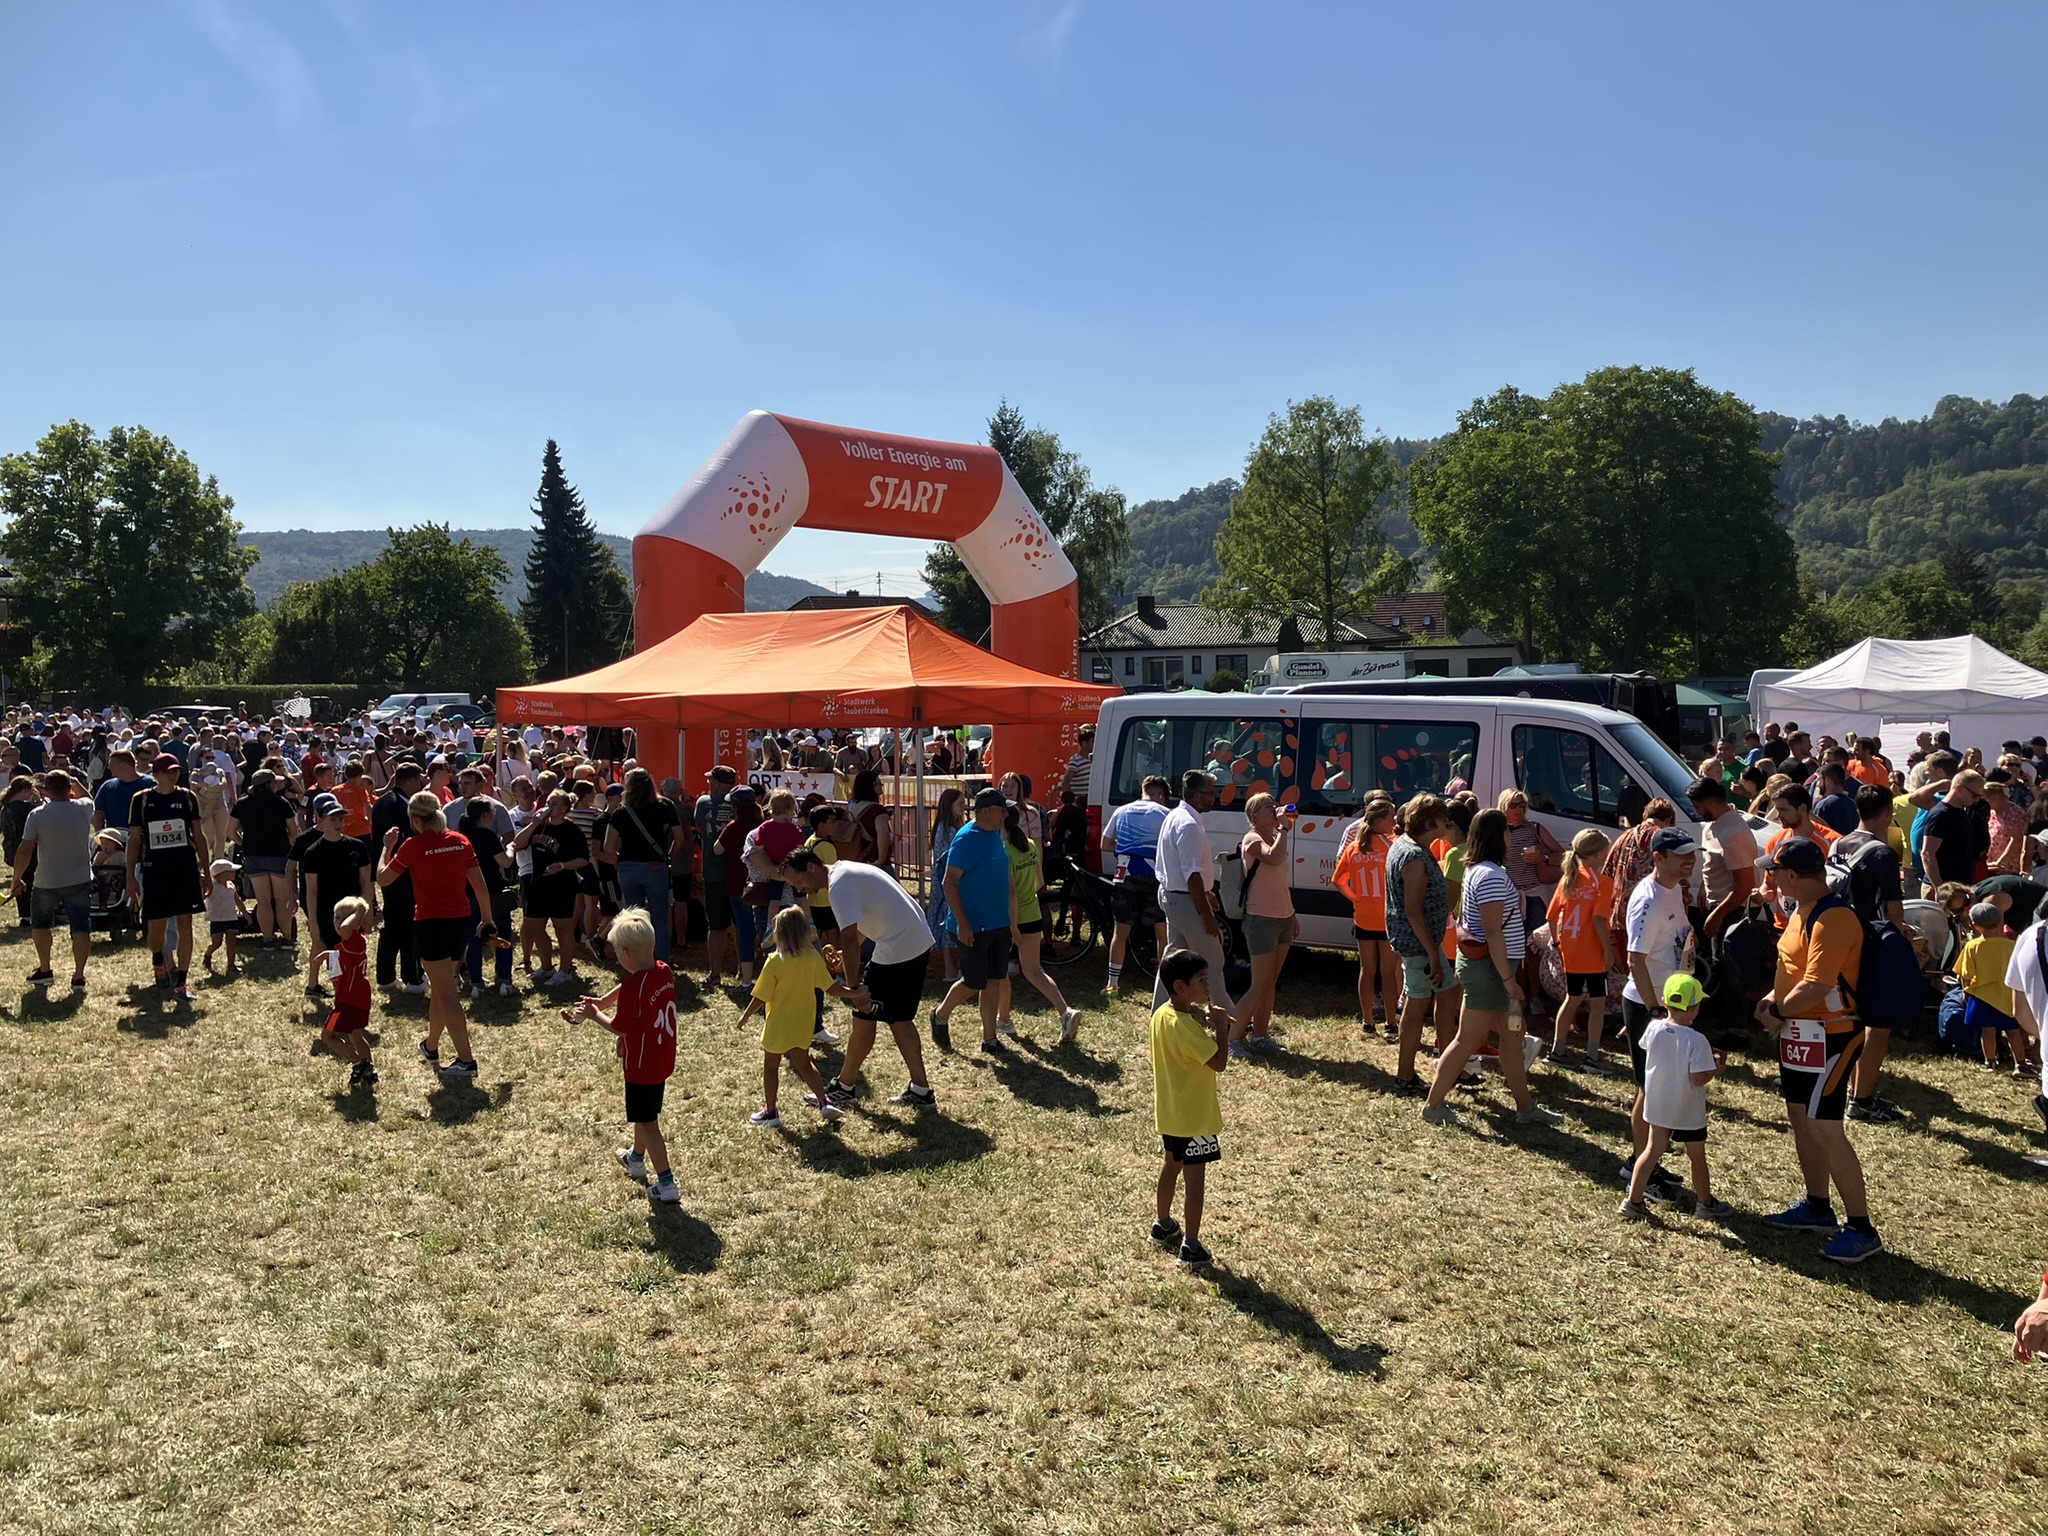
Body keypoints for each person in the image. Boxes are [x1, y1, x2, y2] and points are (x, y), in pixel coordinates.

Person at [1754, 837, 1883, 1263]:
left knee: (1825, 1125)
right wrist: (1772, 1001)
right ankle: (1817, 1206)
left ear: (1792, 874)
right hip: (1800, 1034)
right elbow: (1792, 969)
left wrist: (1776, 1010)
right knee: (1801, 1118)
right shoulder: (1800, 911)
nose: (1771, 878)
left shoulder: (1835, 917)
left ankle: (1862, 1228)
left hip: (1832, 1035)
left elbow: (1817, 984)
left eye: (1774, 872)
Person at [1421, 808, 1563, 1128]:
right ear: (1499, 837)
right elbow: (1493, 932)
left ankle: (1526, 1108)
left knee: (1512, 1038)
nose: (1512, 836)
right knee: (1467, 1040)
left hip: (1489, 968)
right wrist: (1509, 980)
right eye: (1507, 831)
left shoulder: (1479, 870)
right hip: (1491, 971)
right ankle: (1433, 1105)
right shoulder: (1491, 876)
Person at [783, 850, 938, 1111]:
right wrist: (846, 958)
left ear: (811, 867)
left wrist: (853, 988)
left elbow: (850, 940)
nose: (799, 889)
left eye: (798, 881)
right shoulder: (846, 870)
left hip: (898, 946)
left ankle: (844, 1087)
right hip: (917, 940)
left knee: (864, 1016)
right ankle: (921, 1091)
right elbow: (868, 919)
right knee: (899, 1018)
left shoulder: (838, 886)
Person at [378, 790, 496, 1081]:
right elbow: (479, 883)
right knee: (443, 988)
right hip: (460, 922)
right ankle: (431, 1046)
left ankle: (466, 1061)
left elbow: (383, 878)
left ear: (416, 820)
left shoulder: (412, 846)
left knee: (446, 994)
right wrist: (487, 918)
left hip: (431, 924)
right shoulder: (459, 840)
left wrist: (386, 848)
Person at [568, 907, 682, 1204]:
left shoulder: (634, 986)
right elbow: (631, 992)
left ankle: (667, 1183)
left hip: (642, 1065)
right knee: (645, 1114)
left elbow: (619, 1027)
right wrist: (604, 1001)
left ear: (626, 953)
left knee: (648, 1122)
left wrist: (594, 1013)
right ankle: (636, 1158)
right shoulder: (662, 970)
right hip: (661, 1057)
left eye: (617, 950)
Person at [1614, 827, 1698, 1192]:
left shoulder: (1674, 888)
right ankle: (1639, 1167)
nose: (1690, 860)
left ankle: (1647, 1162)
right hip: (1650, 1006)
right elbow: (1635, 960)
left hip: (1671, 1004)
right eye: (1682, 855)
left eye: (1692, 853)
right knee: (1649, 1089)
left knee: (1659, 1087)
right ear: (1659, 858)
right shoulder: (1648, 900)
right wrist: (1654, 1012)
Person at [738, 905, 861, 1128]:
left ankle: (771, 1112)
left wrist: (745, 1017)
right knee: (804, 1063)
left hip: (778, 1024)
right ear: (805, 932)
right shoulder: (812, 957)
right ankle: (824, 1102)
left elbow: (760, 997)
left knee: (771, 1067)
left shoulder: (774, 961)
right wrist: (853, 993)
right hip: (803, 1023)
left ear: (778, 934)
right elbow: (831, 987)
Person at [1619, 973, 1729, 1221]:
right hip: (1687, 1110)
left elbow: (1648, 1046)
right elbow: (1698, 1078)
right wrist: (1715, 1068)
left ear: (1664, 1002)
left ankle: (1633, 1201)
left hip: (1658, 1105)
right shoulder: (1697, 1040)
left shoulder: (1653, 1028)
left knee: (1651, 1150)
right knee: (1696, 1157)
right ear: (1694, 1009)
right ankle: (1705, 1204)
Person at [1149, 947, 1233, 1269]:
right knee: (1195, 1180)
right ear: (1180, 987)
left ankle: (1162, 1224)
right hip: (1195, 1118)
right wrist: (1222, 1029)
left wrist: (1205, 1021)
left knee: (1171, 1165)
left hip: (1171, 1113)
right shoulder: (1186, 1027)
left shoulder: (1162, 1015)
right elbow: (1219, 1062)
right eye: (1201, 980)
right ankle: (1191, 1247)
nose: (1207, 985)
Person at [937, 787, 1021, 1055]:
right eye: (1002, 810)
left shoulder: (994, 833)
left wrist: (1011, 923)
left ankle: (989, 1039)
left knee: (995, 979)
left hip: (998, 923)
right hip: (972, 926)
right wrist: (963, 923)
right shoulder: (967, 839)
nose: (1006, 815)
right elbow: (949, 882)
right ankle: (940, 1014)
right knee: (974, 982)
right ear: (987, 811)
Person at [125, 753, 210, 1002]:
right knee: (157, 926)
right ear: (156, 774)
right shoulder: (142, 800)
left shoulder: (188, 797)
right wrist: (130, 876)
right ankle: (158, 958)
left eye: (176, 771)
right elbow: (134, 839)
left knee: (186, 922)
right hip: (155, 869)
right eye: (167, 771)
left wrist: (206, 871)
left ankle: (182, 981)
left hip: (185, 868)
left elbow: (199, 835)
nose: (173, 775)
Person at [1386, 794, 1455, 1093]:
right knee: (1416, 1005)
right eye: (1443, 820)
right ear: (1429, 824)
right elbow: (1413, 910)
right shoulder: (1413, 857)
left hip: (1424, 943)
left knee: (1447, 992)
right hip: (1418, 946)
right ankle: (1405, 1075)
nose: (1447, 825)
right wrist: (1433, 956)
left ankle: (1451, 1065)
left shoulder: (1408, 846)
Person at [1152, 772, 1236, 1017]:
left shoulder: (1176, 816)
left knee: (1172, 960)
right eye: (1210, 793)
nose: (1213, 798)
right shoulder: (1188, 825)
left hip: (1173, 897)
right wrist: (1207, 915)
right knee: (1213, 964)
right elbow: (1192, 876)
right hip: (1186, 901)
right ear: (1198, 796)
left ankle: (1158, 1015)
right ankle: (1231, 1024)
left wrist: (1205, 893)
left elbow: (1188, 873)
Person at [16, 769, 95, 991]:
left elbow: (25, 849)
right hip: (79, 877)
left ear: (46, 790)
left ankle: (45, 968)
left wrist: (17, 877)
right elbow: (88, 797)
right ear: (69, 789)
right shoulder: (83, 809)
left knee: (41, 925)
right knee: (81, 927)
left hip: (47, 878)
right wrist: (76, 781)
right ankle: (78, 975)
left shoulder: (37, 815)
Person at [1545, 828, 1614, 1071]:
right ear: (1596, 855)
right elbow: (1598, 918)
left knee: (1572, 998)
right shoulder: (1602, 882)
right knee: (1597, 1003)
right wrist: (1607, 950)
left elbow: (1551, 917)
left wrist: (1557, 943)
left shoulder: (1569, 879)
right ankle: (1592, 1056)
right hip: (1592, 952)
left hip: (1571, 951)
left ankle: (1557, 1050)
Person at [1234, 792, 1296, 1057]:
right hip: (1262, 919)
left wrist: (1292, 914)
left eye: (1274, 805)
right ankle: (1232, 1038)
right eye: (1267, 807)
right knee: (1259, 983)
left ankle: (1260, 1036)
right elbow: (1273, 858)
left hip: (1283, 917)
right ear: (1254, 816)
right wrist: (1284, 829)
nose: (1274, 809)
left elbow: (1279, 880)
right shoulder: (1252, 839)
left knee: (1270, 982)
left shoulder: (1275, 837)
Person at [1332, 796, 1399, 1043]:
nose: (1395, 822)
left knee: (1366, 970)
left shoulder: (1354, 848)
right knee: (1388, 972)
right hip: (1387, 917)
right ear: (1379, 821)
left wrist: (1356, 899)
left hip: (1363, 917)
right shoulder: (1392, 845)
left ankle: (1367, 1021)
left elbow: (1337, 880)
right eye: (1391, 818)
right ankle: (1390, 1022)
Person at [298, 792, 373, 1001]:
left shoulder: (357, 846)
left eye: (341, 818)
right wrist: (313, 923)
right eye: (333, 819)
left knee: (355, 952)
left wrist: (368, 911)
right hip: (328, 913)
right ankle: (340, 994)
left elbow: (366, 881)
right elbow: (311, 890)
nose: (339, 823)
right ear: (320, 820)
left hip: (353, 911)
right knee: (334, 955)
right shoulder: (313, 852)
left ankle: (352, 991)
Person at [1100, 776, 1171, 997]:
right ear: (1160, 795)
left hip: (1126, 875)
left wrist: (1126, 849)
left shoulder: (1121, 811)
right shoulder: (1165, 814)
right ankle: (1164, 984)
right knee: (1162, 933)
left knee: (1120, 932)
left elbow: (1105, 844)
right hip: (1154, 876)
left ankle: (1112, 984)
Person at [604, 768, 684, 963]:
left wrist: (618, 862)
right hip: (656, 866)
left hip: (628, 867)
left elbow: (608, 846)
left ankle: (636, 962)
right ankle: (662, 963)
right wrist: (669, 858)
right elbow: (680, 837)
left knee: (633, 919)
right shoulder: (665, 805)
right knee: (660, 920)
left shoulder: (621, 812)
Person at [517, 788, 593, 989]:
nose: (549, 807)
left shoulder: (572, 830)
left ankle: (565, 971)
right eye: (548, 802)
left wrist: (562, 865)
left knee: (563, 929)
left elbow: (583, 860)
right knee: (534, 927)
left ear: (565, 808)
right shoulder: (539, 826)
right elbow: (518, 843)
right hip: (537, 885)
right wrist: (534, 823)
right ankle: (547, 967)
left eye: (554, 803)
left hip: (563, 886)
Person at [371, 762, 427, 993]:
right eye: (419, 780)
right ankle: (413, 977)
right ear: (412, 779)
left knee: (392, 924)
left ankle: (385, 977)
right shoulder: (400, 806)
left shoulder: (381, 802)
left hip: (387, 870)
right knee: (408, 925)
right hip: (403, 872)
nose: (421, 784)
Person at [1956, 901, 2028, 1075]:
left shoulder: (1972, 946)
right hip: (2007, 996)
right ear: (1999, 921)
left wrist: (1965, 991)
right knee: (2013, 1032)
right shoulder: (2012, 946)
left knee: (1987, 1031)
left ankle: (1990, 1062)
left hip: (1982, 997)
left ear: (1974, 924)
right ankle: (2020, 1064)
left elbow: (1965, 974)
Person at [458, 796, 518, 999]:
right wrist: (510, 848)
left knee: (473, 939)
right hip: (492, 892)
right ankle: (505, 981)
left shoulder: (461, 837)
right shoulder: (488, 835)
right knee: (502, 936)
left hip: (468, 893)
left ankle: (476, 983)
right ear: (484, 816)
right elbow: (505, 862)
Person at [315, 897, 378, 1089]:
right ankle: (368, 1070)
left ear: (357, 923)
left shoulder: (355, 940)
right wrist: (327, 954)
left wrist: (359, 911)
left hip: (347, 1002)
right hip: (354, 999)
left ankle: (359, 1063)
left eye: (343, 918)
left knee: (327, 1036)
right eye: (336, 917)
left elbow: (345, 929)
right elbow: (345, 957)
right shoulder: (350, 944)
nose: (338, 923)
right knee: (355, 1035)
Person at [1692, 777, 1758, 940]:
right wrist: (1704, 887)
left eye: (1698, 807)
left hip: (1734, 911)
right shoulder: (1713, 825)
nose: (1696, 812)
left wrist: (1718, 914)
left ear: (1710, 803)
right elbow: (1713, 861)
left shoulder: (1734, 835)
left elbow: (1745, 885)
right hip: (1719, 905)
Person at [715, 786, 765, 986]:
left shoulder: (732, 828)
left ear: (735, 808)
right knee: (764, 931)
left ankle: (745, 979)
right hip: (761, 886)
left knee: (744, 932)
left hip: (738, 886)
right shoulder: (762, 826)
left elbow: (717, 850)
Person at [696, 765, 739, 986]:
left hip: (713, 872)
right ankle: (744, 972)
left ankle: (715, 974)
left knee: (716, 926)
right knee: (741, 924)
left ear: (717, 782)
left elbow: (699, 825)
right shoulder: (742, 804)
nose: (708, 784)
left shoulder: (704, 803)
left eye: (710, 780)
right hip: (740, 873)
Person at [924, 787, 966, 985]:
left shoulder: (951, 827)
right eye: (960, 803)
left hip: (947, 884)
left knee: (948, 923)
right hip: (947, 886)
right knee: (948, 923)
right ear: (949, 805)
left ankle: (953, 967)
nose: (963, 807)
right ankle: (950, 968)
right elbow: (947, 857)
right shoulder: (946, 829)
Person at [1919, 769, 1983, 891]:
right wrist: (1940, 888)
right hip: (1943, 887)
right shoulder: (1941, 814)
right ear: (1959, 789)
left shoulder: (1961, 812)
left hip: (1958, 886)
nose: (1977, 800)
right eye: (1975, 795)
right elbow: (1927, 853)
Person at [202, 857, 248, 975]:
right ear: (220, 875)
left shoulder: (231, 886)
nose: (234, 873)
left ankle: (231, 965)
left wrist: (245, 913)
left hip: (231, 918)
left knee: (231, 942)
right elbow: (204, 896)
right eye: (230, 871)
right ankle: (208, 954)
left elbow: (237, 901)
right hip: (217, 919)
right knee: (217, 943)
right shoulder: (212, 887)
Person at [844, 770, 895, 874]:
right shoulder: (878, 811)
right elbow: (883, 836)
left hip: (857, 859)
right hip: (875, 861)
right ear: (870, 786)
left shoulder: (851, 807)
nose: (881, 785)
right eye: (878, 782)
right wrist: (880, 860)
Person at [1811, 763, 1860, 837]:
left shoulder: (1824, 805)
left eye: (1820, 780)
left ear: (1828, 780)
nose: (1818, 784)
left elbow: (1818, 832)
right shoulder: (1852, 803)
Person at [1063, 724, 1095, 802]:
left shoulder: (1094, 759)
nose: (1094, 745)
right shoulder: (1075, 761)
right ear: (1084, 744)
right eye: (1092, 742)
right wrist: (1071, 800)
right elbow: (1066, 780)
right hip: (1079, 803)